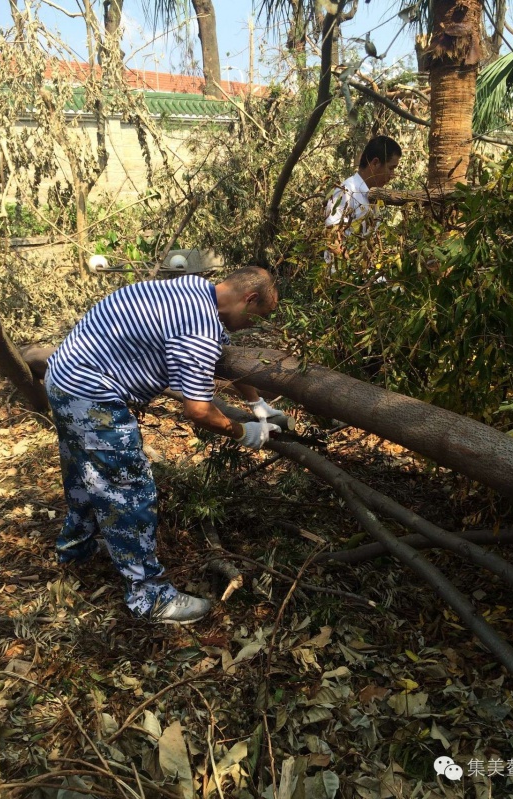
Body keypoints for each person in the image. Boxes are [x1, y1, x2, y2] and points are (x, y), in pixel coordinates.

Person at [44, 267, 285, 625]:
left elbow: (219, 354)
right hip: (94, 397)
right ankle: (150, 597)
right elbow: (199, 411)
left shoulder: (193, 289)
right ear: (248, 299)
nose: (252, 326)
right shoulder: (199, 328)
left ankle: (76, 548)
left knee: (84, 473)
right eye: (257, 317)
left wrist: (258, 406)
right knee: (128, 492)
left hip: (63, 379)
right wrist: (246, 434)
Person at [324, 135, 402, 268]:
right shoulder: (346, 192)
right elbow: (332, 239)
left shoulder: (373, 195)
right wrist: (354, 270)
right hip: (345, 279)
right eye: (391, 168)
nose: (393, 175)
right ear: (375, 163)